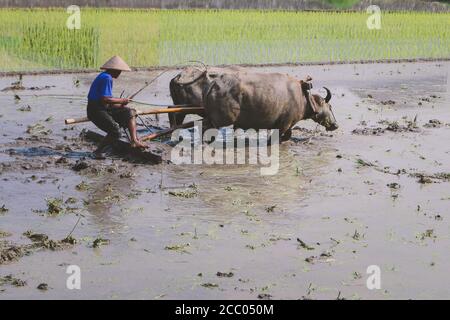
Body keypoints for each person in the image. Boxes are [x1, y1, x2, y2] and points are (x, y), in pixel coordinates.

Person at [87, 55, 147, 158]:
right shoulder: (107, 78)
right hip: (95, 110)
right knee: (115, 131)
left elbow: (107, 101)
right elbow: (105, 99)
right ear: (113, 69)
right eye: (119, 70)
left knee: (130, 112)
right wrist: (122, 100)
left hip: (103, 107)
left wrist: (121, 104)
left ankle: (134, 141)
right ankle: (97, 151)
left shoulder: (105, 76)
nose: (120, 73)